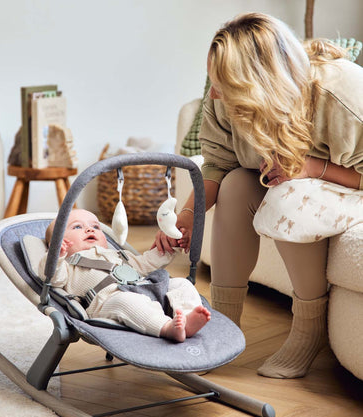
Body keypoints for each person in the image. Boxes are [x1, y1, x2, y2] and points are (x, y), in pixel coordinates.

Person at [154, 12, 363, 378]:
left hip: (346, 185)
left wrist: (313, 168)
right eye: (213, 81)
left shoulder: (340, 92)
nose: (214, 93)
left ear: (259, 82)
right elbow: (218, 163)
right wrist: (188, 216)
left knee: (290, 194)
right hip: (295, 183)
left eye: (224, 85)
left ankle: (308, 329)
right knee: (236, 184)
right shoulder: (223, 100)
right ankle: (221, 325)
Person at [40, 209, 211, 342]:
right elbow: (53, 277)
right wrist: (56, 255)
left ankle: (187, 317)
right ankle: (167, 328)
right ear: (56, 243)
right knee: (125, 302)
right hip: (108, 301)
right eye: (77, 227)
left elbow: (147, 262)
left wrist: (170, 246)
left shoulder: (119, 255)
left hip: (146, 289)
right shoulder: (68, 265)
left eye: (96, 226)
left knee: (180, 283)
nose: (89, 229)